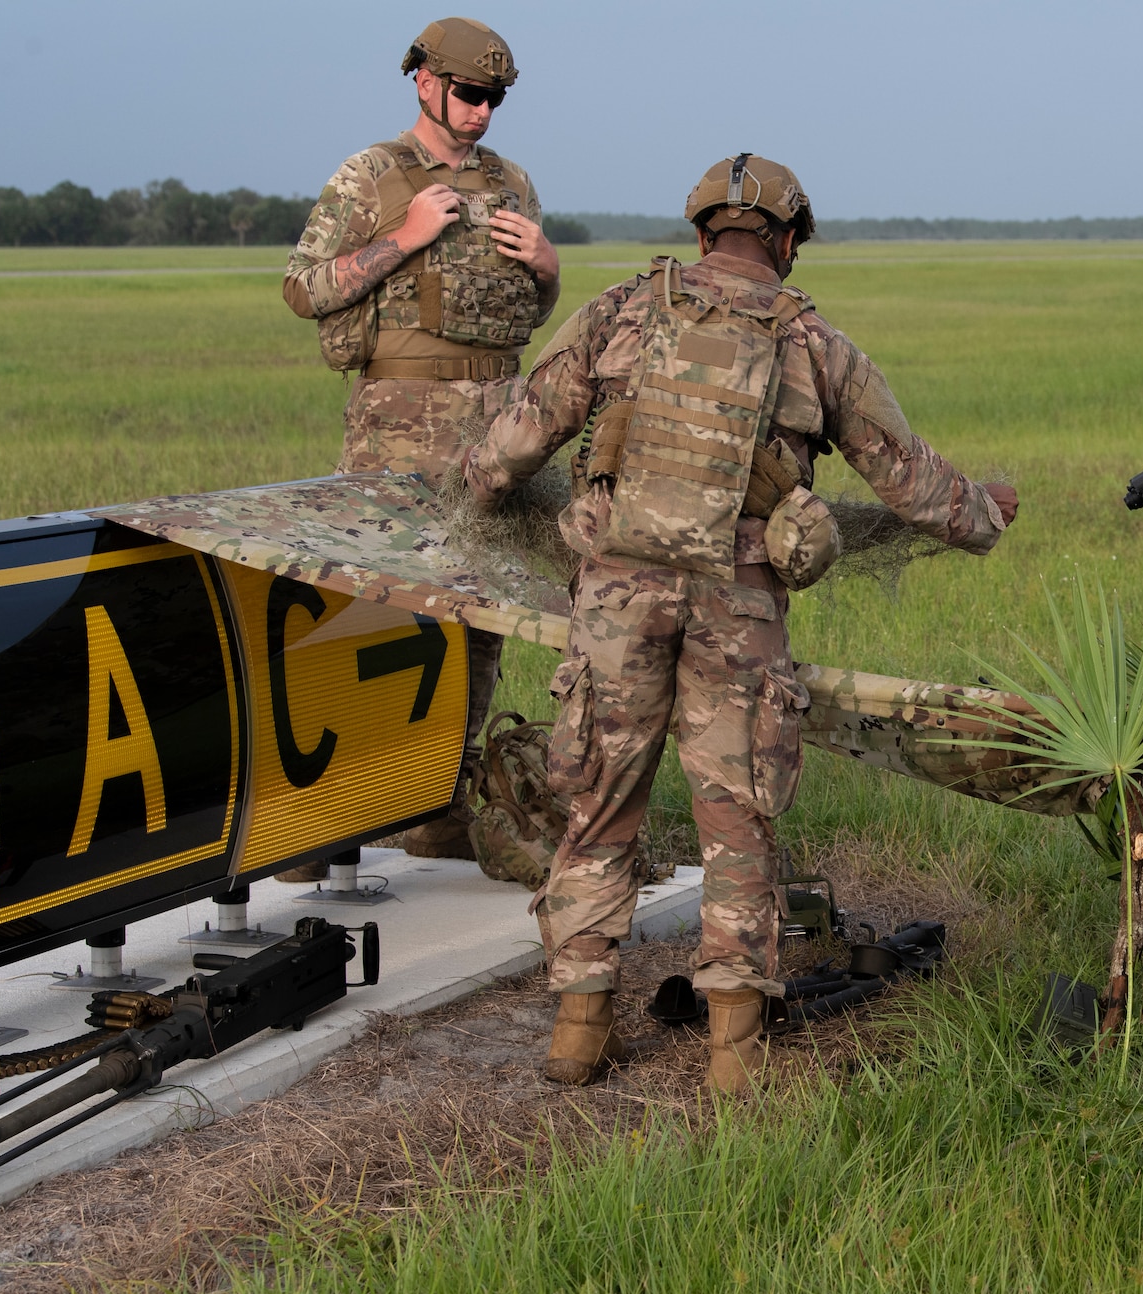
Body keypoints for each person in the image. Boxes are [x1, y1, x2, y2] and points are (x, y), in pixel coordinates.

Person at [464, 155, 1018, 1091]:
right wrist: (988, 513)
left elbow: (512, 444)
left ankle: (579, 1031)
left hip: (616, 599)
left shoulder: (619, 311)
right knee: (737, 821)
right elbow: (911, 481)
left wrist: (473, 489)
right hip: (741, 602)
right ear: (789, 242)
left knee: (597, 805)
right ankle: (733, 1053)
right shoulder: (815, 343)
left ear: (698, 233)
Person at [282, 17, 558, 859]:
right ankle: (328, 816)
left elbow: (525, 313)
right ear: (425, 83)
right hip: (396, 432)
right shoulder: (370, 177)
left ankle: (441, 804)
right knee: (372, 612)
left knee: (482, 617)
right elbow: (302, 288)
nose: (481, 112)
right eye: (471, 94)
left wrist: (546, 265)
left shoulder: (511, 182)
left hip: (494, 428)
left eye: (495, 98)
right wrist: (405, 238)